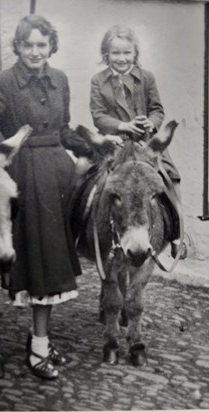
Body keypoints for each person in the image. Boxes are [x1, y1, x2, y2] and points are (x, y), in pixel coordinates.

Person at [0, 15, 93, 379]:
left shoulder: (61, 79)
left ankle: (41, 340)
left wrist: (93, 144)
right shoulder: (3, 82)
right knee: (41, 267)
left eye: (42, 45)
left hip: (58, 179)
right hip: (26, 179)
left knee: (54, 265)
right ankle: (38, 349)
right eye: (28, 44)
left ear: (51, 47)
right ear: (17, 47)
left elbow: (63, 131)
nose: (35, 51)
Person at [89, 24, 187, 259]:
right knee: (89, 180)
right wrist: (122, 126)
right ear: (106, 54)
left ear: (135, 54)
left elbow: (157, 109)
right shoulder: (98, 80)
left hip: (145, 145)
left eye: (126, 53)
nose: (121, 58)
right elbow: (98, 114)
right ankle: (86, 235)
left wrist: (150, 124)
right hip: (116, 144)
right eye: (115, 53)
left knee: (171, 178)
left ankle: (177, 236)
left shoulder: (146, 78)